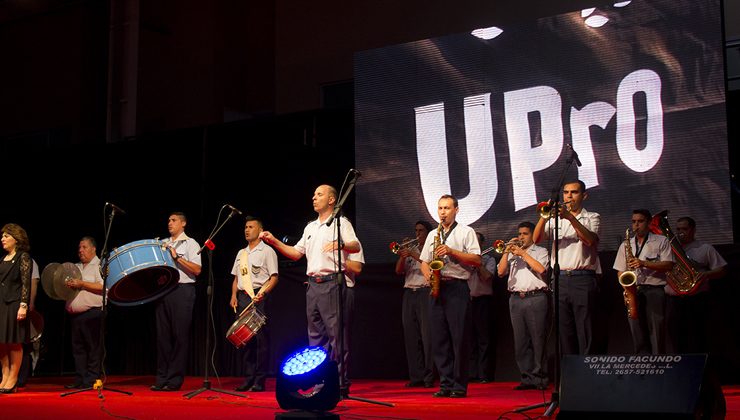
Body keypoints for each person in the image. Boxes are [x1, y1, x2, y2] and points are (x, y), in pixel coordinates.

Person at [260, 184, 360, 396]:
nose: (314, 198)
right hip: (313, 285)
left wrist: (339, 245)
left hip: (332, 283)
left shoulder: (341, 224)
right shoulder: (310, 227)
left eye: (319, 194)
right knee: (315, 338)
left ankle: (340, 384)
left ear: (332, 200)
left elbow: (355, 246)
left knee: (337, 338)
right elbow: (296, 253)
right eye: (313, 194)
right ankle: (319, 382)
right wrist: (274, 241)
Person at [420, 194, 481, 398]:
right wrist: (428, 274)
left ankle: (459, 385)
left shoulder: (466, 232)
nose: (443, 212)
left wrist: (452, 251)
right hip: (437, 288)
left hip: (457, 288)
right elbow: (424, 261)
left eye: (447, 208)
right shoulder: (432, 235)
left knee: (459, 338)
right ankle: (445, 383)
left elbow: (476, 260)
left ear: (456, 210)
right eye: (440, 208)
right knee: (439, 339)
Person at [533, 179, 600, 355]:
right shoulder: (555, 219)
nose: (568, 196)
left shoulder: (592, 217)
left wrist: (570, 218)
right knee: (564, 330)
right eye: (566, 192)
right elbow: (536, 239)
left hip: (582, 278)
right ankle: (570, 376)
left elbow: (590, 240)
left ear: (584, 195)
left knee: (585, 329)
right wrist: (544, 216)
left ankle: (588, 374)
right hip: (560, 278)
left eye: (574, 192)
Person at [152, 212, 202, 391]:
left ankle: (174, 380)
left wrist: (177, 257)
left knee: (180, 336)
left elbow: (197, 270)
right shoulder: (163, 244)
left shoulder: (191, 243)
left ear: (183, 223)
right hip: (163, 292)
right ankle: (161, 378)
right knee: (162, 337)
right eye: (168, 220)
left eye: (173, 220)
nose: (169, 223)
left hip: (182, 291)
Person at [497, 221, 550, 390]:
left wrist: (522, 254)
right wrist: (506, 252)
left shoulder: (541, 251)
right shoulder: (512, 254)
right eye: (519, 234)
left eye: (525, 234)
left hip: (535, 297)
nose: (520, 237)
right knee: (520, 342)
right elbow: (500, 272)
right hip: (515, 299)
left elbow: (541, 270)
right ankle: (526, 377)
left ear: (533, 235)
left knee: (538, 339)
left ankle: (540, 378)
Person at [613, 209, 674, 355]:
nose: (636, 225)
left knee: (656, 330)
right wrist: (627, 289)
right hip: (634, 290)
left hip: (654, 290)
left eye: (640, 221)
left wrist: (643, 263)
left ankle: (658, 365)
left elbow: (669, 265)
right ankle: (642, 364)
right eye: (634, 221)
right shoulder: (626, 244)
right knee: (636, 330)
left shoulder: (661, 241)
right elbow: (621, 270)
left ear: (649, 223)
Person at [230, 216, 279, 392]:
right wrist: (233, 295)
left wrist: (263, 293)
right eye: (245, 227)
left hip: (260, 297)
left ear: (259, 230)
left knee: (261, 340)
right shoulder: (241, 253)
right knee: (245, 340)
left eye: (251, 227)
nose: (247, 230)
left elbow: (274, 277)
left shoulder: (267, 251)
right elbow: (236, 278)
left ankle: (260, 380)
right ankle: (248, 378)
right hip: (243, 298)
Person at [665, 217, 727, 353]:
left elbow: (722, 269)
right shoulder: (669, 249)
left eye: (685, 229)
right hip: (674, 300)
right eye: (678, 229)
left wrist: (705, 274)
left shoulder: (705, 248)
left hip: (697, 300)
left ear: (693, 230)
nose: (681, 232)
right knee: (676, 338)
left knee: (698, 337)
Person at [394, 220, 434, 388]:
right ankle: (416, 376)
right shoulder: (410, 249)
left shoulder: (431, 248)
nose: (417, 234)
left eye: (421, 231)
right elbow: (398, 271)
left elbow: (432, 267)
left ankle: (429, 377)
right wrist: (403, 256)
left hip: (425, 292)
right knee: (411, 336)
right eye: (416, 230)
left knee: (427, 337)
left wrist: (413, 255)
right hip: (409, 292)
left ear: (428, 233)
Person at [62, 236, 104, 389]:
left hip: (92, 313)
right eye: (79, 248)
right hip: (75, 315)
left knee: (93, 348)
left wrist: (81, 284)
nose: (80, 250)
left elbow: (103, 287)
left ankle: (91, 379)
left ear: (93, 249)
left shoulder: (99, 265)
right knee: (78, 349)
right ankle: (80, 378)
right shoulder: (74, 267)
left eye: (84, 247)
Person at [0, 223, 32, 393]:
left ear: (16, 238)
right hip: (1, 304)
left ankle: (13, 378)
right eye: (2, 236)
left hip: (14, 304)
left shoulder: (23, 257)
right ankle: (4, 376)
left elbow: (26, 283)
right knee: (1, 343)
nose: (2, 239)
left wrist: (23, 305)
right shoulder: (2, 259)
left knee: (13, 342)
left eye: (6, 236)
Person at [467, 231, 496, 384]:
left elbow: (487, 277)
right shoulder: (464, 260)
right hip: (467, 301)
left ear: (482, 244)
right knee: (469, 339)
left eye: (477, 241)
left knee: (483, 339)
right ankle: (471, 373)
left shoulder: (489, 259)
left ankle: (484, 374)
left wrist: (478, 265)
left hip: (483, 301)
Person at [17, 259, 39, 388]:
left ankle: (21, 378)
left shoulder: (29, 261)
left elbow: (33, 282)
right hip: (7, 306)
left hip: (22, 306)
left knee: (23, 342)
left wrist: (30, 303)